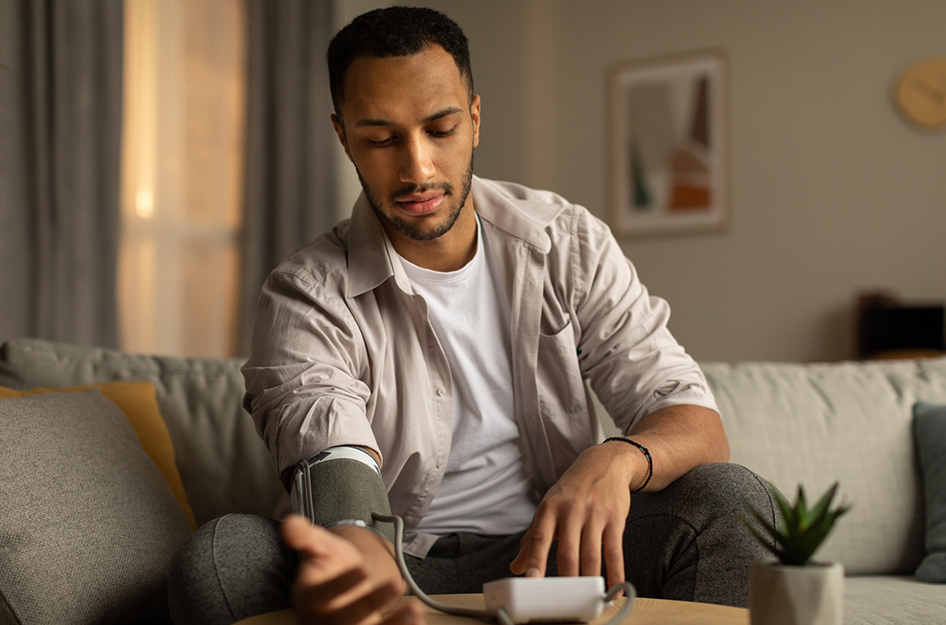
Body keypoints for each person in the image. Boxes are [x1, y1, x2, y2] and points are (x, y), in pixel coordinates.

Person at [168, 7, 775, 625]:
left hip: (556, 550)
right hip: (392, 557)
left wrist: (615, 457)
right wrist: (358, 546)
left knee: (733, 500)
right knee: (223, 557)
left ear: (475, 120)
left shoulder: (567, 244)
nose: (418, 169)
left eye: (440, 129)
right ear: (343, 136)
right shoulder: (305, 292)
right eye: (380, 139)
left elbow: (694, 420)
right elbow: (330, 449)